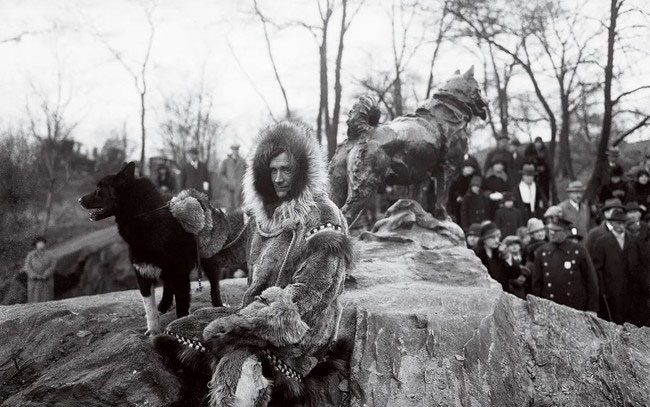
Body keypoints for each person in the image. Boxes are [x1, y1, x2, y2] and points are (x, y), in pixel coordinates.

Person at [191, 122, 353, 400]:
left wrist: (245, 327)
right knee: (181, 330)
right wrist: (199, 224)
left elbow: (312, 293)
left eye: (286, 169)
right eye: (273, 170)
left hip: (302, 334)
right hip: (255, 317)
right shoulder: (263, 214)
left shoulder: (323, 215)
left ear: (301, 170)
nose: (278, 178)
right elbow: (225, 251)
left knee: (234, 370)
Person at [531, 217, 599, 313]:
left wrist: (592, 309)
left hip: (575, 307)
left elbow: (591, 280)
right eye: (550, 230)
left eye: (556, 231)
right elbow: (537, 284)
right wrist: (539, 308)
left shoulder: (578, 250)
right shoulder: (542, 252)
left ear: (566, 232)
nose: (552, 233)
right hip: (551, 307)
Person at [591, 208, 637, 323]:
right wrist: (602, 289)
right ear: (611, 223)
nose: (620, 226)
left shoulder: (633, 240)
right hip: (611, 289)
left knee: (631, 319)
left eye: (623, 223)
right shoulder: (602, 242)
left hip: (631, 288)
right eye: (617, 223)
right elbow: (597, 268)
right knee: (614, 318)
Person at [475, 222, 520, 291]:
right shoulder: (477, 256)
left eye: (498, 237)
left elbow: (514, 275)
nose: (496, 240)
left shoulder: (500, 253)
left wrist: (508, 257)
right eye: (492, 237)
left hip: (503, 294)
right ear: (484, 239)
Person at [447, 157, 480, 222]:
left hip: (468, 203)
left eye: (471, 168)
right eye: (467, 167)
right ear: (463, 168)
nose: (470, 169)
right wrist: (458, 196)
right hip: (456, 204)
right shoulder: (456, 178)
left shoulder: (472, 179)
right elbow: (452, 192)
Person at [23, 236, 56, 303]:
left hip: (46, 280)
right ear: (35, 245)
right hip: (34, 282)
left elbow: (52, 265)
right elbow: (27, 266)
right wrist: (35, 275)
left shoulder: (50, 254)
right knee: (34, 300)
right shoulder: (30, 255)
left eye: (42, 243)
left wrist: (46, 274)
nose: (41, 245)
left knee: (47, 300)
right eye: (39, 243)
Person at [219, 144, 247, 210]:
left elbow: (246, 173)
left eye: (237, 150)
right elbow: (221, 174)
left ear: (238, 150)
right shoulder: (226, 161)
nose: (235, 151)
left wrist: (242, 184)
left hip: (239, 189)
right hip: (229, 188)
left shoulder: (243, 161)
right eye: (234, 150)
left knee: (238, 208)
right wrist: (227, 182)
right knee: (229, 208)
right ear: (232, 151)